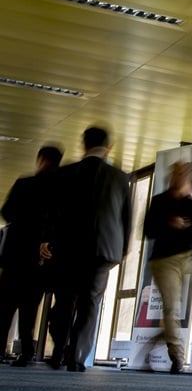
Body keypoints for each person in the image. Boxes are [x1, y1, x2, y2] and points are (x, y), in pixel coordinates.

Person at [45, 127, 132, 371]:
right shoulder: (119, 177)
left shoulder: (65, 173)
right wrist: (123, 247)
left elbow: (52, 213)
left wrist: (47, 241)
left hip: (68, 248)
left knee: (63, 300)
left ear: (83, 145)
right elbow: (127, 217)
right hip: (103, 250)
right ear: (109, 148)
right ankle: (76, 357)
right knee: (89, 303)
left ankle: (57, 352)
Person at [143, 160, 192, 373]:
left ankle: (155, 343)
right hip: (164, 261)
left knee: (177, 313)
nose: (180, 178)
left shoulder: (190, 203)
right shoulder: (159, 201)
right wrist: (169, 224)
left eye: (183, 175)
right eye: (177, 174)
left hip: (187, 261)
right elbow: (148, 231)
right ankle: (177, 357)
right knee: (172, 309)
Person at [0, 145, 62, 366]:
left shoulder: (24, 184)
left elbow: (6, 212)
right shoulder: (61, 190)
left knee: (5, 306)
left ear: (40, 159)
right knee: (29, 307)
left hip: (16, 253)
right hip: (40, 258)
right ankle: (27, 351)